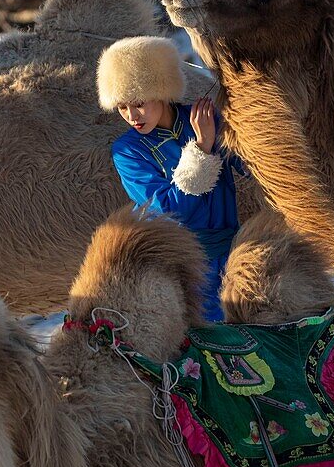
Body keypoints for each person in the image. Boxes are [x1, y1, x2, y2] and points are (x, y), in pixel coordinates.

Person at [97, 35, 240, 321]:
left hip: (238, 255)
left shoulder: (206, 117)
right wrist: (201, 149)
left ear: (161, 89)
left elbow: (251, 163)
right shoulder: (127, 150)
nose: (131, 115)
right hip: (186, 269)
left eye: (138, 103)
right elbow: (167, 209)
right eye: (122, 107)